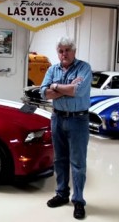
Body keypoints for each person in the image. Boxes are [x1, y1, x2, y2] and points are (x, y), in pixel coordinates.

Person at [40, 37, 92, 220]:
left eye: (67, 50)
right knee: (59, 159)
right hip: (57, 118)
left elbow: (78, 91)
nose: (64, 53)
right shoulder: (52, 69)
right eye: (61, 50)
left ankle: (78, 200)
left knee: (78, 163)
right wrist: (64, 87)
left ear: (74, 51)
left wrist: (56, 88)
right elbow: (44, 93)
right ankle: (62, 194)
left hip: (78, 120)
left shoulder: (84, 68)